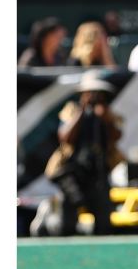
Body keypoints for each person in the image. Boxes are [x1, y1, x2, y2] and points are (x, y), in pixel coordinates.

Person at [44, 76, 123, 236]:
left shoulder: (107, 114)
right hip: (74, 172)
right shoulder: (72, 111)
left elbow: (117, 135)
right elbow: (65, 137)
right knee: (68, 219)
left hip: (98, 173)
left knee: (104, 222)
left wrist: (104, 116)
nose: (93, 97)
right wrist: (81, 111)